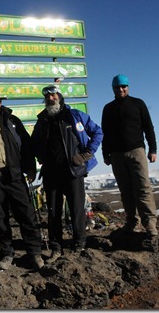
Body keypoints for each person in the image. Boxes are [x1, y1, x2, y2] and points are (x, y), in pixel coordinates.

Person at [0, 88, 44, 270]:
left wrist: (30, 168)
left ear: (1, 102)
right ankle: (7, 253)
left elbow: (25, 145)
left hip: (15, 175)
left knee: (27, 214)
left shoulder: (12, 121)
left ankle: (34, 252)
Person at [31, 85, 103, 263]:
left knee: (77, 209)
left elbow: (97, 132)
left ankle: (79, 244)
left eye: (53, 95)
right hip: (51, 172)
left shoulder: (75, 115)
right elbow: (34, 142)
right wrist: (39, 156)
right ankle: (56, 247)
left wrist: (86, 154)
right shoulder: (43, 119)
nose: (50, 98)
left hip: (73, 171)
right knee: (54, 212)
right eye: (47, 96)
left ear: (60, 96)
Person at [101, 74, 158, 237]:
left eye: (123, 86)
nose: (120, 89)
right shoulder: (108, 108)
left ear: (128, 87)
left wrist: (153, 149)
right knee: (125, 190)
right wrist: (106, 153)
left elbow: (149, 127)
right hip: (116, 155)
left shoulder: (138, 104)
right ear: (113, 89)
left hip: (136, 151)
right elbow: (106, 133)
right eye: (117, 87)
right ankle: (132, 222)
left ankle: (150, 224)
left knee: (143, 188)